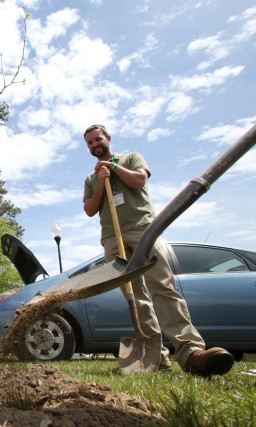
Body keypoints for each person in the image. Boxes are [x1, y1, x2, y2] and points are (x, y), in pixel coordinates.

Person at [82, 124, 234, 376]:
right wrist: (101, 181)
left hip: (143, 230)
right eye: (90, 143)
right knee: (135, 295)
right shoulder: (91, 177)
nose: (95, 145)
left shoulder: (131, 158)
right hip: (112, 237)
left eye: (98, 139)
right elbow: (90, 209)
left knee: (162, 286)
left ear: (108, 138)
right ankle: (155, 357)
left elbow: (139, 179)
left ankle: (190, 351)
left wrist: (115, 168)